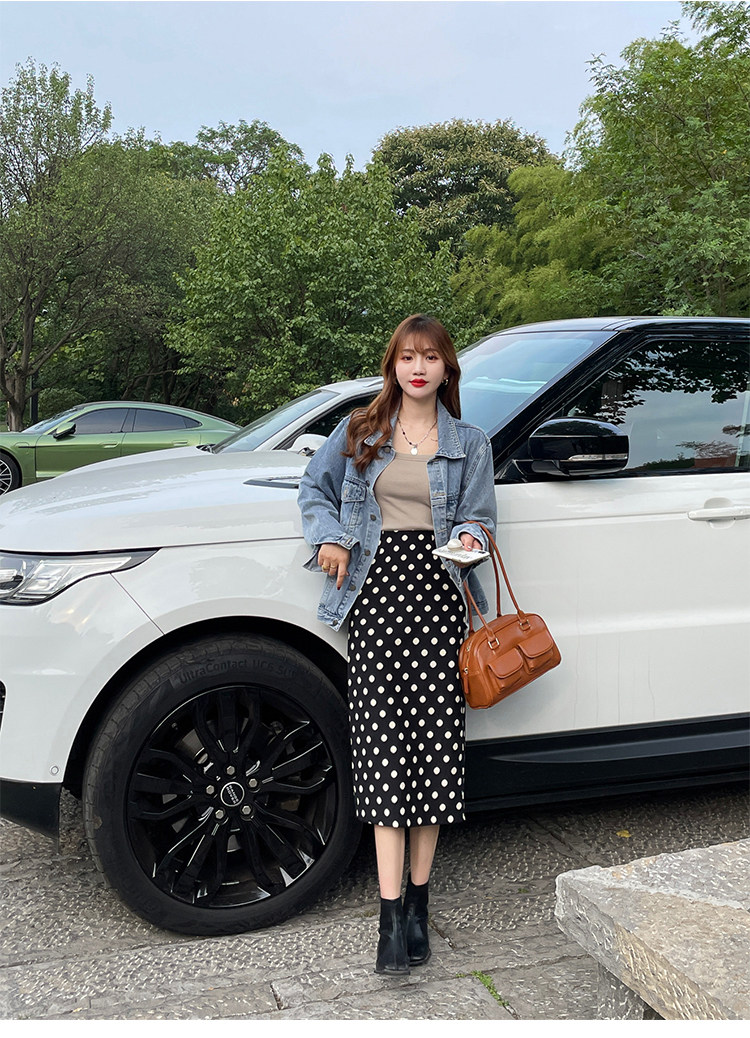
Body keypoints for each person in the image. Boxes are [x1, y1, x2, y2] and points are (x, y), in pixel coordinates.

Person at [297, 314, 496, 975]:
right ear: (393, 365)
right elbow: (314, 488)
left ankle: (418, 904)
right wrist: (329, 536)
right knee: (383, 751)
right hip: (377, 599)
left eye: (430, 357)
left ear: (446, 369)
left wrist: (469, 538)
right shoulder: (361, 429)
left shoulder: (470, 441)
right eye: (408, 356)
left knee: (434, 752)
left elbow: (480, 519)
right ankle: (388, 918)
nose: (418, 368)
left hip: (439, 599)